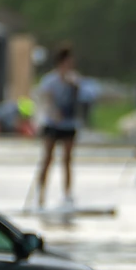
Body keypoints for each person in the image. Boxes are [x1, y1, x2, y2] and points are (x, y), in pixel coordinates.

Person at [34, 45, 83, 210]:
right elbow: (46, 100)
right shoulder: (50, 80)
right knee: (47, 158)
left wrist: (72, 85)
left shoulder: (74, 80)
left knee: (67, 160)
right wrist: (53, 113)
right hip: (53, 124)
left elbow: (80, 97)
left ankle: (68, 194)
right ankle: (40, 193)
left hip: (68, 124)